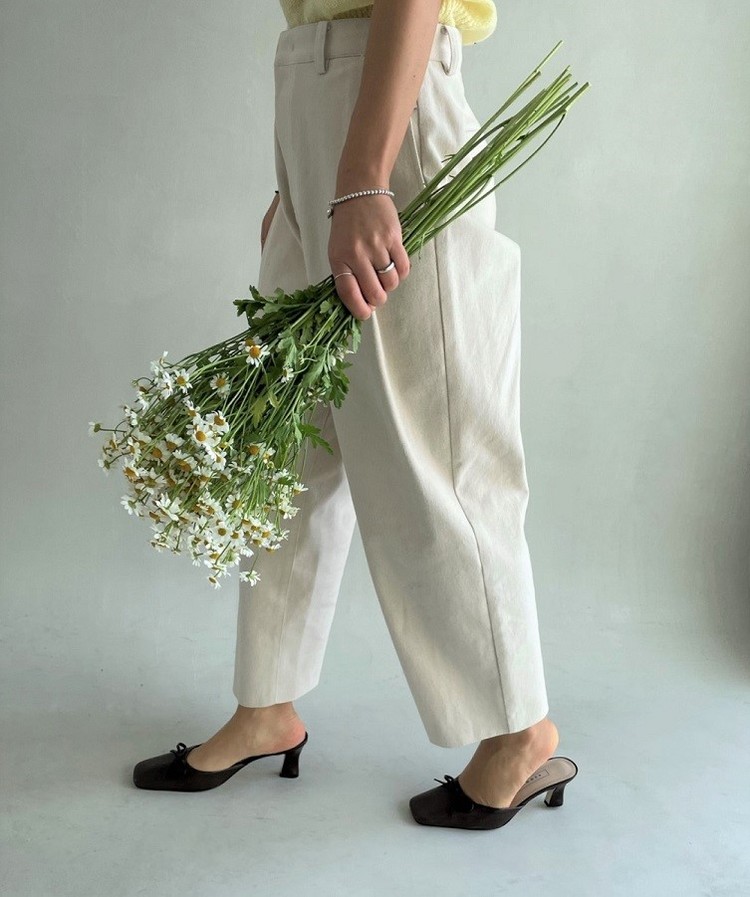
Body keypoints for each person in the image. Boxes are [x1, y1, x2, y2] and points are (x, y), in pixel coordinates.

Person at [133, 0, 578, 830]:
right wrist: (300, 180)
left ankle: (521, 731)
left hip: (390, 117)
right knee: (286, 446)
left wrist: (363, 175)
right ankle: (266, 703)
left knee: (436, 445)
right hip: (320, 112)